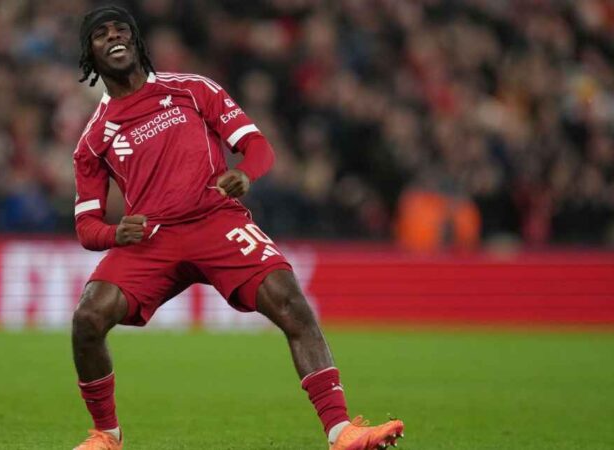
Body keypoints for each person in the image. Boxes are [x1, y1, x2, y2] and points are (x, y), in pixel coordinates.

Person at [70, 5, 404, 450]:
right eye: (101, 34)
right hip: (151, 240)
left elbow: (257, 147)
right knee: (88, 318)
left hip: (215, 222)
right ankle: (105, 436)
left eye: (123, 29)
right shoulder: (94, 137)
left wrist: (246, 172)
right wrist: (117, 234)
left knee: (291, 302)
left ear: (137, 41)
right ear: (89, 55)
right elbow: (87, 226)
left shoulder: (191, 88)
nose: (115, 37)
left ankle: (341, 432)